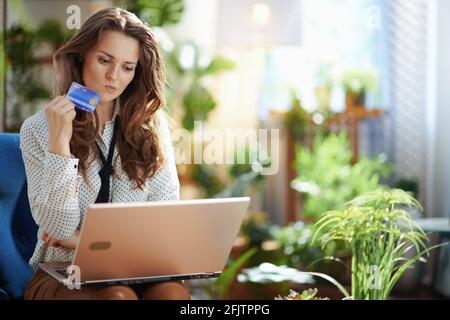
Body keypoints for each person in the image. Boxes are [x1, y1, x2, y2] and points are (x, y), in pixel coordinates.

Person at [20, 7, 190, 300]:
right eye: (104, 60)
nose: (114, 76)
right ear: (81, 56)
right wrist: (61, 143)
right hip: (62, 271)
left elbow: (164, 223)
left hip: (134, 267)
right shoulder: (38, 128)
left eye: (127, 67)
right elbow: (58, 226)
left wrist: (77, 240)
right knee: (117, 297)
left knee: (172, 294)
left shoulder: (151, 127)